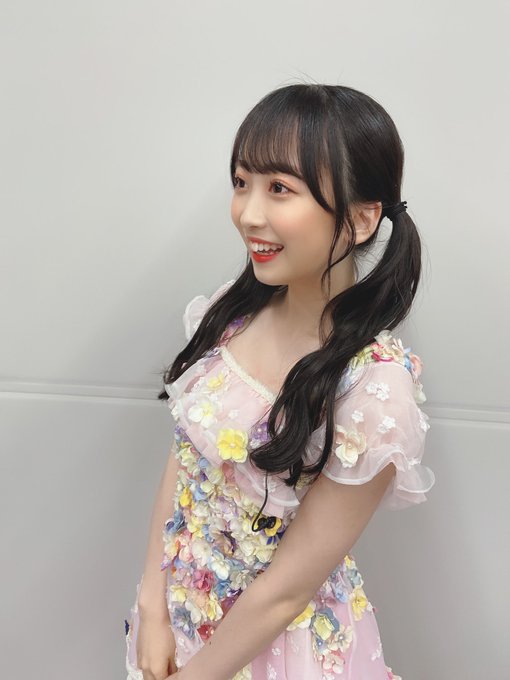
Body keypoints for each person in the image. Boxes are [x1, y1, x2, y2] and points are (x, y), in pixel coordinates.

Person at [124, 83, 436, 680]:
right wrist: (152, 603)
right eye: (242, 182)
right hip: (182, 618)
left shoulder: (373, 390)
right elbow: (186, 460)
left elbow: (286, 592)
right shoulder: (231, 314)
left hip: (277, 653)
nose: (248, 213)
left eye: (279, 189)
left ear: (361, 218)